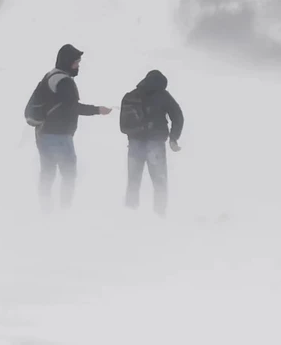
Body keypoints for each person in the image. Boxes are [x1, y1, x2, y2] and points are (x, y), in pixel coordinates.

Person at [24, 44, 111, 212]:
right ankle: (65, 212)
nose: (78, 66)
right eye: (75, 63)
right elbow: (73, 107)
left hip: (42, 134)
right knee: (69, 175)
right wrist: (98, 110)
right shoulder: (64, 82)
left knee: (47, 174)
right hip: (59, 136)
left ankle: (46, 211)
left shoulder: (50, 76)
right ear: (67, 62)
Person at [119, 70, 184, 217]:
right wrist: (174, 138)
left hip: (134, 143)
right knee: (159, 181)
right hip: (155, 143)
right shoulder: (163, 95)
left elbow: (124, 124)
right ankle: (160, 214)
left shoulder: (131, 95)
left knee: (133, 182)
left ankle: (129, 214)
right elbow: (177, 116)